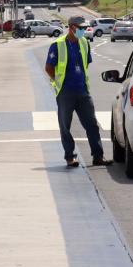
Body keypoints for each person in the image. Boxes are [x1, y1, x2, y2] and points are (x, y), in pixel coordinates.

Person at [44, 16, 112, 168]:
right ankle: (70, 157)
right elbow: (48, 67)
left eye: (84, 28)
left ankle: (98, 156)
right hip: (65, 92)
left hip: (82, 91)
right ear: (71, 27)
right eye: (80, 28)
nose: (83, 30)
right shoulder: (58, 45)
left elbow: (85, 64)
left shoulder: (84, 42)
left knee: (92, 124)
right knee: (65, 127)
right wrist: (58, 83)